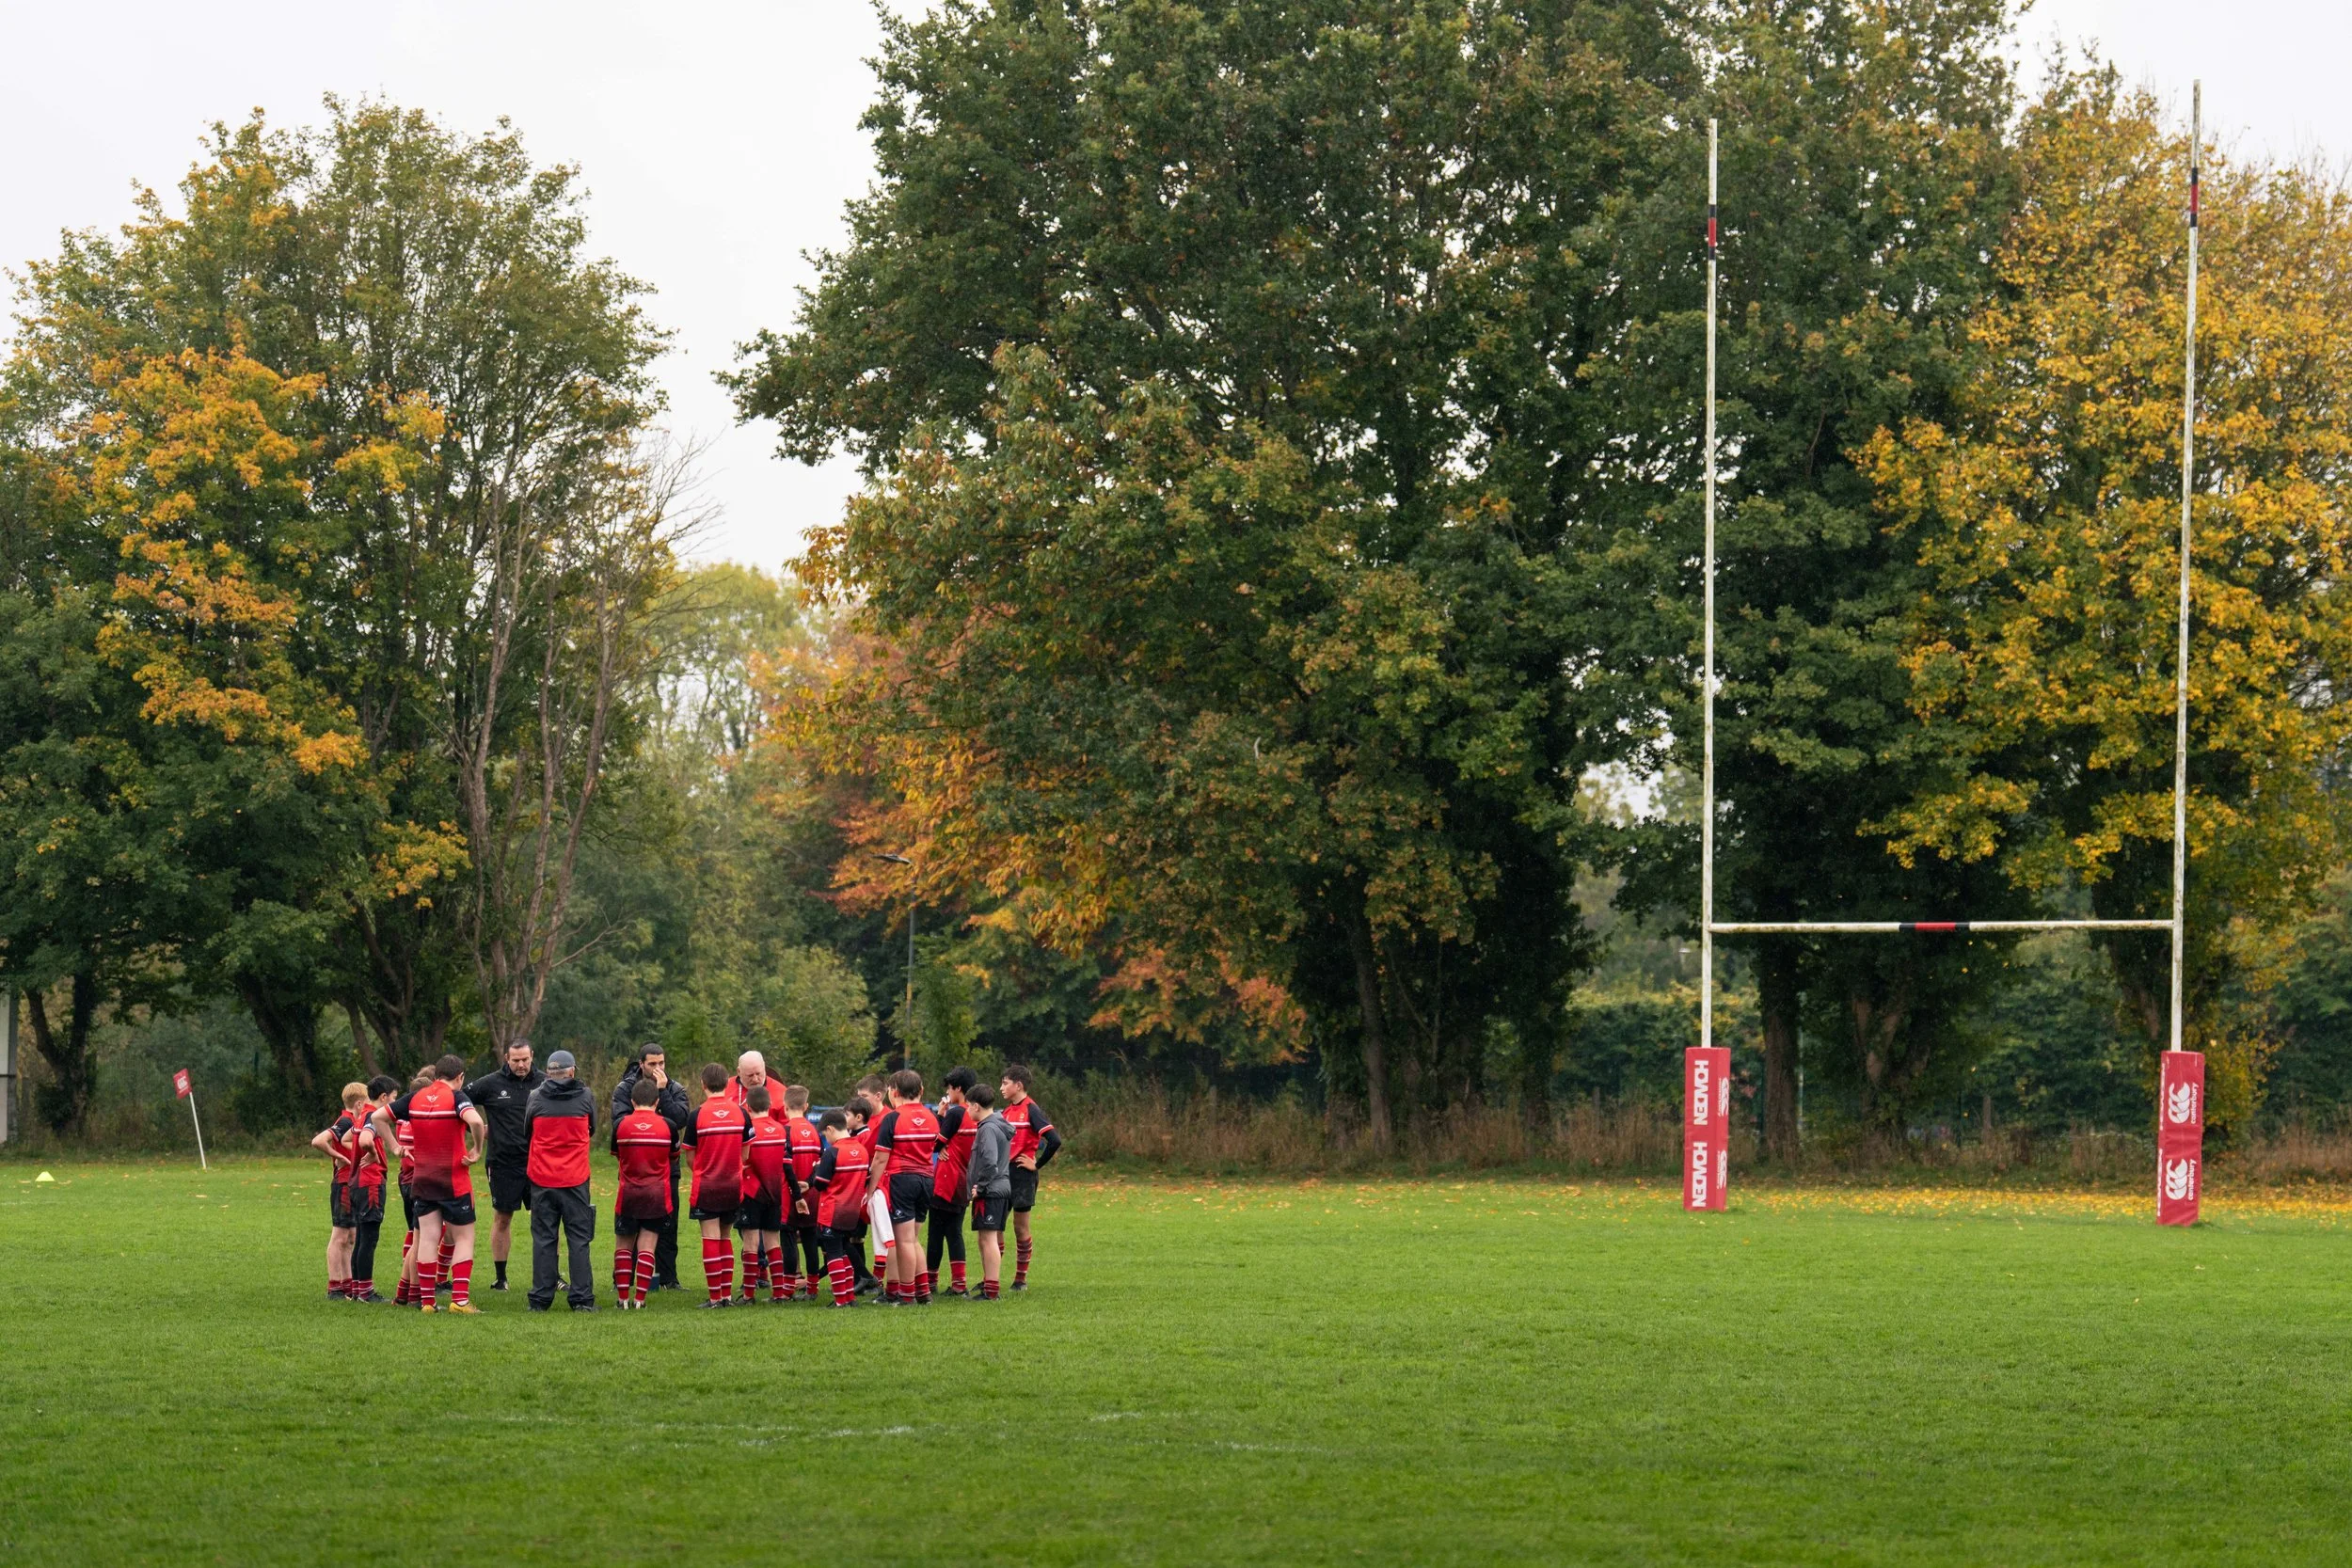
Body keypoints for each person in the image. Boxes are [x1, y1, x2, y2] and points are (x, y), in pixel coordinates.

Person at [376, 1054, 488, 1313]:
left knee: (427, 1237)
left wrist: (395, 1147)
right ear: (460, 1077)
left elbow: (379, 1117)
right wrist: (477, 1149)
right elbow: (474, 1121)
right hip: (453, 1179)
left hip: (423, 1178)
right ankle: (459, 1300)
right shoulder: (457, 1097)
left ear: (436, 1074)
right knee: (464, 1237)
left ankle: (427, 1302)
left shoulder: (416, 1097)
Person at [463, 1039, 546, 1291]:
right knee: (503, 1218)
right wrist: (475, 1128)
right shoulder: (490, 1084)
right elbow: (457, 1101)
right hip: (502, 1162)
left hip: (538, 1162)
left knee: (544, 1219)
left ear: (532, 1056)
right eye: (515, 1060)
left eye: (525, 1059)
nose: (521, 1065)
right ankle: (501, 1278)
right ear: (506, 1058)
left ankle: (548, 1275)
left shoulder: (545, 1082)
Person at [610, 1045, 691, 1289]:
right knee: (629, 1228)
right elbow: (619, 1122)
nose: (658, 1069)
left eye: (662, 1063)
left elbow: (679, 1121)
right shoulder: (625, 1088)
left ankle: (669, 1278)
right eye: (653, 1064)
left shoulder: (675, 1088)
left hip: (666, 1167)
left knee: (668, 1226)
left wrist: (663, 1094)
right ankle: (624, 1279)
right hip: (633, 1167)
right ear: (641, 1064)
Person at [524, 1050, 597, 1312]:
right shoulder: (586, 1097)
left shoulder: (535, 1097)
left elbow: (527, 1131)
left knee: (544, 1238)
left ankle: (540, 1299)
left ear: (548, 1072)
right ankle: (581, 1299)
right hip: (576, 1179)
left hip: (542, 1178)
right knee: (579, 1239)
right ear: (572, 1072)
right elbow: (592, 1129)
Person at [681, 1062, 754, 1307]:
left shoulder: (697, 1115)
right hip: (733, 1185)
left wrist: (704, 1169)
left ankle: (714, 1298)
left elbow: (689, 1156)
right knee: (725, 1238)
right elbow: (746, 1155)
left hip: (707, 1185)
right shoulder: (741, 1113)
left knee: (710, 1238)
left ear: (703, 1085)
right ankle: (726, 1296)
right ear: (728, 1083)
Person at [867, 1069, 941, 1305]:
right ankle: (923, 1292)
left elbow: (880, 1158)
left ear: (894, 1092)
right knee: (914, 1239)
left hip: (902, 1180)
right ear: (921, 1091)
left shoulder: (893, 1118)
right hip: (927, 1180)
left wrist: (871, 1189)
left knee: (904, 1241)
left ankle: (907, 1294)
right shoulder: (932, 1117)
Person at [611, 1077, 677, 1310]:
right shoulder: (668, 1126)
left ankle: (622, 1299)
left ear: (631, 1101)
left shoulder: (620, 1125)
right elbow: (673, 1156)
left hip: (628, 1194)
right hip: (656, 1195)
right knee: (648, 1247)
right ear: (658, 1101)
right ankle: (640, 1300)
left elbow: (616, 1154)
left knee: (624, 1247)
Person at [998, 1066, 1061, 1291]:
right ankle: (992, 1278)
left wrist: (1036, 1165)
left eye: (1005, 1083)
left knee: (1020, 1227)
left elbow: (1054, 1140)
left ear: (1019, 1085)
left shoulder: (1031, 1109)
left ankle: (1020, 1279)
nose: (1001, 1088)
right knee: (996, 1225)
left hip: (1022, 1175)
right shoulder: (1005, 1113)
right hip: (1003, 1175)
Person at [806, 1104, 869, 1307]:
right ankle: (849, 1297)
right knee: (843, 1253)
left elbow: (821, 1183)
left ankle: (840, 1300)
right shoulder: (861, 1149)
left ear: (831, 1129)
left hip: (831, 1211)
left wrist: (816, 1171)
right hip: (851, 1212)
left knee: (834, 1255)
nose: (826, 1138)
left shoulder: (832, 1153)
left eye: (825, 1134)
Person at [737, 1085, 795, 1304]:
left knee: (751, 1243)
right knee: (773, 1242)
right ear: (771, 1105)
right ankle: (778, 1293)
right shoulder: (781, 1130)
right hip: (775, 1193)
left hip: (752, 1192)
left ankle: (749, 1294)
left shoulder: (749, 1129)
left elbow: (743, 1159)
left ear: (747, 1106)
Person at [310, 1084, 367, 1302]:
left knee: (350, 1236)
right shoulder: (345, 1121)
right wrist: (340, 1157)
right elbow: (318, 1141)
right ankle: (334, 1287)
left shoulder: (352, 1122)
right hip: (343, 1184)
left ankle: (347, 1284)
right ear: (359, 1103)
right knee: (340, 1236)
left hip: (351, 1183)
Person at [927, 1067, 979, 1298]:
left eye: (949, 1088)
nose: (948, 1092)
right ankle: (959, 1283)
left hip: (947, 1179)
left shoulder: (957, 1114)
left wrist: (940, 1116)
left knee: (936, 1232)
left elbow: (935, 1144)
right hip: (965, 1180)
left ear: (958, 1089)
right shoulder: (978, 1113)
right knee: (955, 1232)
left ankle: (930, 1281)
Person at [345, 1076, 399, 1303]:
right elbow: (366, 1139)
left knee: (361, 1239)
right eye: (394, 1099)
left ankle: (357, 1289)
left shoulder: (360, 1116)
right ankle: (366, 1292)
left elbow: (348, 1138)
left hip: (357, 1182)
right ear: (384, 1097)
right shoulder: (373, 1116)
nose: (394, 1104)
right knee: (369, 1239)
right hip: (370, 1183)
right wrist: (374, 1154)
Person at [964, 1083, 1012, 1300]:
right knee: (985, 1239)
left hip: (991, 1191)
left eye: (967, 1107)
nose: (966, 1111)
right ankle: (988, 1285)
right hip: (997, 1189)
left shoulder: (988, 1129)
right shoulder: (996, 1124)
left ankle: (991, 1291)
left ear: (975, 1106)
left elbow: (990, 1164)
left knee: (989, 1239)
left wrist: (980, 1188)